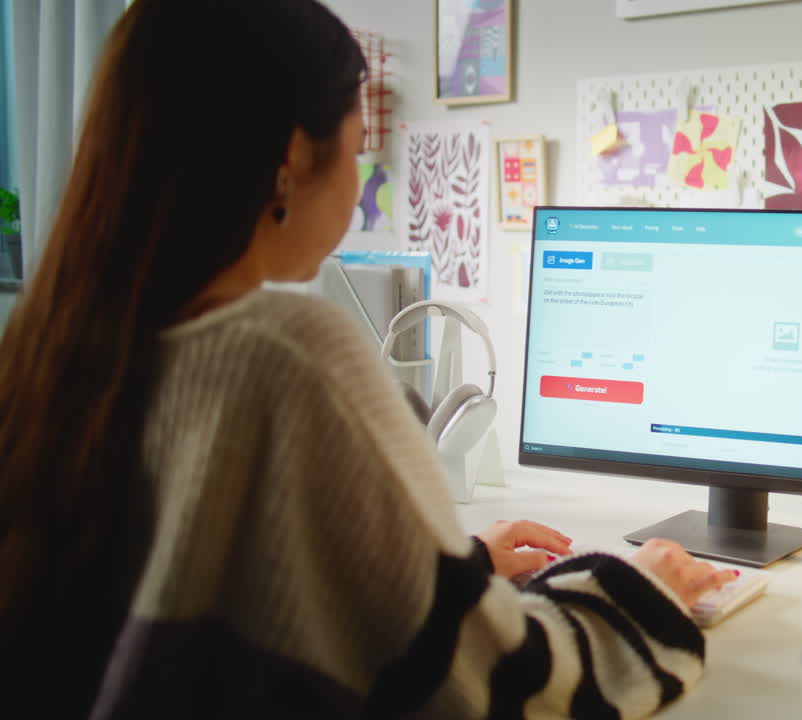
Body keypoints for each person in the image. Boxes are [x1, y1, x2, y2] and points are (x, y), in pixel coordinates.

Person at [0, 1, 736, 717]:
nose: (357, 190)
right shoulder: (281, 350)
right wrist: (639, 588)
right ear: (292, 157)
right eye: (356, 152)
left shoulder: (46, 347)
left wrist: (442, 570)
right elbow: (503, 689)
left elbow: (209, 579)